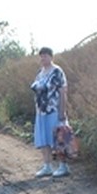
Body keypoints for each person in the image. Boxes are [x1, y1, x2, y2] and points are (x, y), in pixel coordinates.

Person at [31, 47, 70, 178]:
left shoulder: (57, 72)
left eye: (45, 56)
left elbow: (63, 92)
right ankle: (47, 166)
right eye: (41, 56)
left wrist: (62, 111)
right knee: (44, 139)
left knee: (59, 138)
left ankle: (63, 166)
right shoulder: (40, 73)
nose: (43, 58)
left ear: (51, 57)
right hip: (41, 111)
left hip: (54, 110)